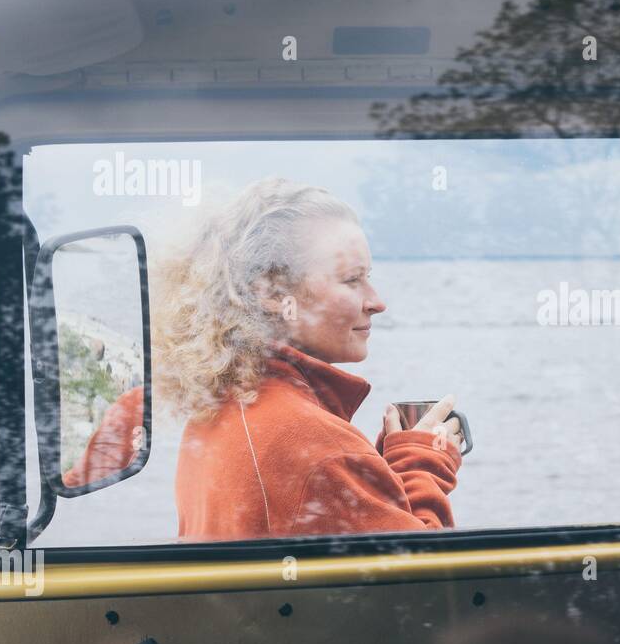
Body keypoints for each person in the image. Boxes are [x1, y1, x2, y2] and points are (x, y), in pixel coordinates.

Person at [153, 177, 464, 542]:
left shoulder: (220, 409)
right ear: (273, 292)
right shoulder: (319, 450)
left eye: (369, 278)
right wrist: (423, 465)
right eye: (352, 280)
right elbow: (424, 581)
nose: (377, 301)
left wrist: (378, 473)